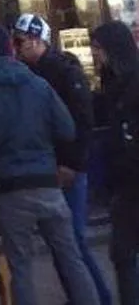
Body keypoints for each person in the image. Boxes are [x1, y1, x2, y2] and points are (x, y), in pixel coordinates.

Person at [0, 21, 100, 305]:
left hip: (11, 188)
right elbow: (66, 128)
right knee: (70, 257)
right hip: (47, 183)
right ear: (9, 50)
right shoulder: (38, 84)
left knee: (21, 267)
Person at [16, 17, 114, 305]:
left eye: (20, 41)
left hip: (67, 169)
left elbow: (82, 120)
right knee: (62, 243)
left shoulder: (61, 71)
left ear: (36, 39)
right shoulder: (32, 73)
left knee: (73, 241)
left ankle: (99, 297)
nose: (16, 47)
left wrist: (73, 163)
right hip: (49, 167)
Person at [91, 22, 139, 305]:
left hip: (133, 175)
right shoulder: (110, 84)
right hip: (123, 182)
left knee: (124, 251)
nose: (94, 54)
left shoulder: (133, 82)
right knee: (121, 253)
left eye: (97, 48)